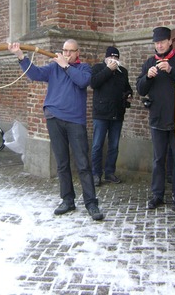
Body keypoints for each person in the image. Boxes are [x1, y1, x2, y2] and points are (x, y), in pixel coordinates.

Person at [8, 40, 104, 221]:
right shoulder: (53, 68)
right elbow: (35, 74)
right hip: (54, 118)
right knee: (62, 163)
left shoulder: (84, 68)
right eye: (64, 51)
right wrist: (21, 56)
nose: (66, 54)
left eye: (70, 51)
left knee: (83, 164)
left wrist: (66, 66)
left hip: (75, 121)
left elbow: (83, 82)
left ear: (78, 52)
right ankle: (67, 200)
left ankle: (91, 203)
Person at [136, 27, 175, 211]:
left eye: (163, 41)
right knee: (158, 159)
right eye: (157, 42)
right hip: (158, 118)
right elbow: (140, 89)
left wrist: (171, 70)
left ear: (170, 41)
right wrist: (147, 77)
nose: (160, 45)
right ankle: (157, 195)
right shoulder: (149, 62)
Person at [90, 46, 133, 186]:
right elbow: (94, 83)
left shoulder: (123, 72)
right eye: (111, 57)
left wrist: (129, 94)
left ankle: (109, 173)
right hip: (101, 114)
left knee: (114, 146)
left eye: (116, 58)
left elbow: (127, 87)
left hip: (117, 113)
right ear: (106, 57)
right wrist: (108, 70)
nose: (114, 60)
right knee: (97, 145)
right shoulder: (98, 68)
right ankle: (96, 174)